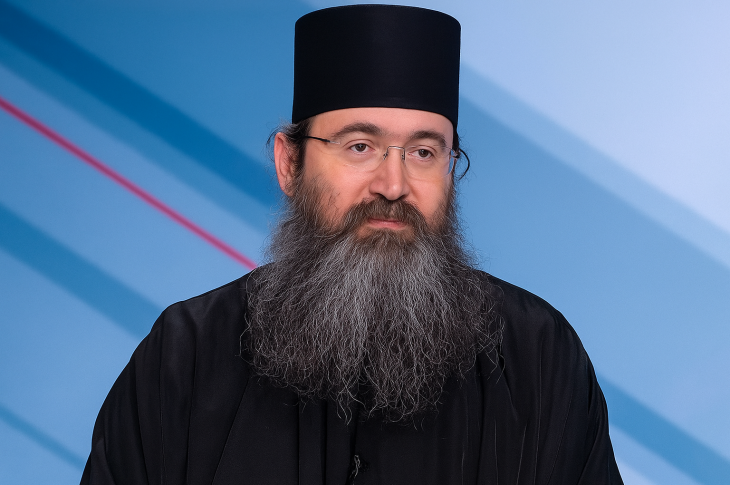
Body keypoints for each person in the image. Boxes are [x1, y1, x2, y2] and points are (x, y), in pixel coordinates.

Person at [81, 5, 623, 484]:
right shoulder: (187, 356)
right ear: (289, 163)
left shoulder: (537, 358)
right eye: (360, 146)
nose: (393, 184)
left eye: (424, 153)